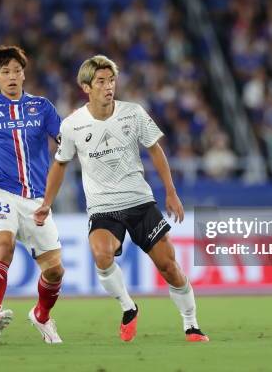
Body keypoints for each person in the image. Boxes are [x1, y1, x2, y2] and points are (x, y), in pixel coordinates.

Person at [34, 55, 209, 343]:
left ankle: (191, 325)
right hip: (104, 208)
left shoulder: (133, 113)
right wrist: (46, 203)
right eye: (101, 81)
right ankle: (128, 307)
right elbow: (60, 164)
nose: (108, 86)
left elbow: (155, 150)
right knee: (101, 256)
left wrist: (171, 191)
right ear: (86, 87)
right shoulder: (72, 125)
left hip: (140, 202)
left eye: (111, 80)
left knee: (169, 267)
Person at [0, 45, 65, 343]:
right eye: (5, 72)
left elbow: (65, 140)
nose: (12, 76)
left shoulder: (42, 107)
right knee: (3, 245)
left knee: (55, 272)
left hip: (38, 199)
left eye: (17, 70)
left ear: (24, 74)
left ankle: (42, 315)